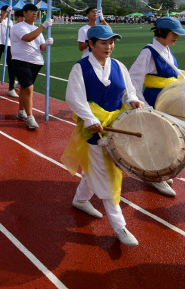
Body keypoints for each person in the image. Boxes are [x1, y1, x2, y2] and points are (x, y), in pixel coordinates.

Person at [62, 25, 143, 247]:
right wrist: (90, 120)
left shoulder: (119, 66)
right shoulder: (80, 68)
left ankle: (80, 199)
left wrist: (133, 101)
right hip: (93, 129)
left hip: (116, 127)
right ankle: (120, 226)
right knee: (107, 175)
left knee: (97, 169)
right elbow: (75, 98)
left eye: (111, 42)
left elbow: (128, 91)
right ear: (91, 44)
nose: (109, 47)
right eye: (104, 43)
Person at [128, 16, 185, 197]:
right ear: (162, 32)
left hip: (166, 102)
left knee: (168, 139)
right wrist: (143, 104)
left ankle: (159, 172)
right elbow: (133, 78)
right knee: (158, 140)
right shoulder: (148, 52)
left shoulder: (165, 49)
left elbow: (175, 73)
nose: (176, 38)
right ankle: (154, 177)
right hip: (154, 101)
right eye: (174, 34)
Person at [10, 3, 54, 130]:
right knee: (29, 88)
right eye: (31, 11)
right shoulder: (18, 27)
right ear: (24, 13)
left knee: (25, 88)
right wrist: (43, 26)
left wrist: (48, 43)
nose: (34, 13)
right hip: (21, 60)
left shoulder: (36, 29)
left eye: (36, 11)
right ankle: (30, 117)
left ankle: (21, 111)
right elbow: (27, 38)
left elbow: (42, 47)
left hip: (36, 61)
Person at [0, 5, 12, 89]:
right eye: (5, 11)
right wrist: (6, 12)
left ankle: (12, 80)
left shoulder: (10, 21)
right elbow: (0, 21)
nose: (7, 13)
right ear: (2, 11)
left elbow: (11, 33)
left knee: (10, 63)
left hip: (7, 43)